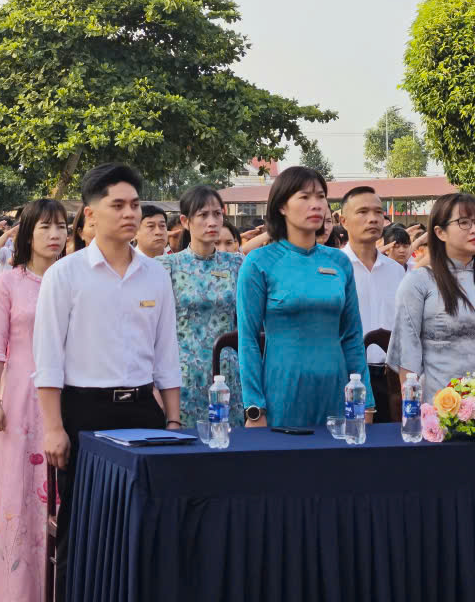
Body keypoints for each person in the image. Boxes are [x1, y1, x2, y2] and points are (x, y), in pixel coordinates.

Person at [34, 163, 182, 602]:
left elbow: (166, 353)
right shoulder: (65, 274)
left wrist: (173, 421)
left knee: (146, 522)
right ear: (90, 214)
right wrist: (54, 427)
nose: (129, 213)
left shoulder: (156, 274)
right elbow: (48, 359)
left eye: (134, 204)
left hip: (142, 411)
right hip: (84, 412)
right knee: (83, 526)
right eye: (117, 205)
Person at [237, 166, 372, 428]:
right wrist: (254, 407)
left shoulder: (339, 262)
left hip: (336, 392)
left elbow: (353, 336)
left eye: (321, 196)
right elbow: (248, 340)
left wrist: (365, 402)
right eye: (305, 197)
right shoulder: (258, 262)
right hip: (282, 393)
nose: (316, 205)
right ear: (282, 206)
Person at [0, 199, 68, 602]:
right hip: (18, 399)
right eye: (45, 227)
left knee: (61, 493)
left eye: (61, 226)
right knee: (18, 487)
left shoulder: (73, 279)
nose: (55, 235)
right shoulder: (7, 283)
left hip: (66, 397)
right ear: (28, 234)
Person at [385, 193, 475, 400]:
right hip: (440, 407)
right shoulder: (419, 282)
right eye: (464, 222)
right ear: (440, 232)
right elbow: (408, 356)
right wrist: (412, 411)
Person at [158, 186, 245, 429]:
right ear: (185, 221)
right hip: (183, 374)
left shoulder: (237, 263)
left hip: (227, 372)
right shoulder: (166, 265)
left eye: (217, 214)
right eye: (203, 215)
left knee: (229, 441)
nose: (212, 222)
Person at [339, 186, 405, 421]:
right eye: (363, 212)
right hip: (349, 377)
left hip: (390, 377)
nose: (373, 219)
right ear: (343, 221)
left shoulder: (397, 271)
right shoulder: (334, 268)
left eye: (378, 212)